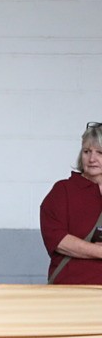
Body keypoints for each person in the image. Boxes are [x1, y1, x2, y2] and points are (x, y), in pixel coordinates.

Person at [40, 122, 102, 285]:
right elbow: (58, 240)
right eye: (87, 151)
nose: (92, 159)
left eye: (100, 153)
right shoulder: (63, 191)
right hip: (71, 289)